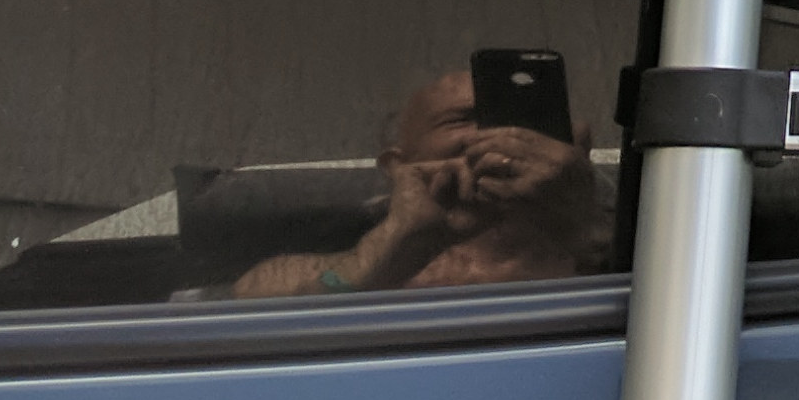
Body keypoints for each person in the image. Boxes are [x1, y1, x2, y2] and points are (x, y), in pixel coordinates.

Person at [234, 67, 601, 294]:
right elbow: (254, 295)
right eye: (463, 119)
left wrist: (578, 222)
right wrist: (395, 248)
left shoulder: (603, 243)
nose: (501, 131)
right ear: (397, 165)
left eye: (521, 116)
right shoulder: (371, 248)